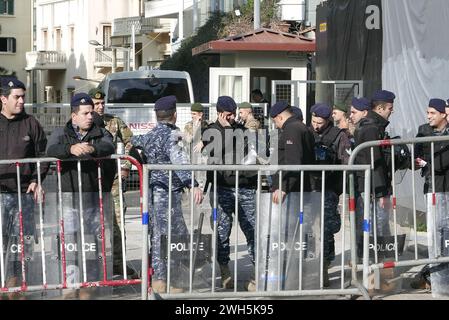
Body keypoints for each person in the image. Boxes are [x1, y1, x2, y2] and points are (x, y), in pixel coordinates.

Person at [131, 95, 203, 294]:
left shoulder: (149, 135)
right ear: (174, 114)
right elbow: (178, 161)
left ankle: (159, 280)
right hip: (169, 192)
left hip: (153, 192)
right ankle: (174, 280)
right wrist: (193, 183)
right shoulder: (173, 135)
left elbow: (133, 144)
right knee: (175, 236)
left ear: (156, 116)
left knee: (157, 235)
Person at [46, 93, 116, 299]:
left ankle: (90, 284)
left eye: (91, 112)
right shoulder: (62, 132)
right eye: (85, 113)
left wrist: (92, 148)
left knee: (92, 244)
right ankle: (70, 285)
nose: (90, 117)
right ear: (74, 115)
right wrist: (70, 149)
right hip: (69, 199)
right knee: (69, 243)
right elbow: (51, 149)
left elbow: (109, 146)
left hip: (93, 198)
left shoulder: (100, 131)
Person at [202, 96, 258, 291]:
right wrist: (226, 130)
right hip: (222, 187)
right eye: (228, 114)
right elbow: (214, 153)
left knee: (251, 230)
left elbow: (253, 152)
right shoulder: (210, 131)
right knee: (222, 232)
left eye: (234, 114)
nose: (232, 117)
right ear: (219, 113)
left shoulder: (242, 130)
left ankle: (256, 274)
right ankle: (224, 270)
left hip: (245, 187)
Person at [0, 78, 48, 299]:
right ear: (3, 99)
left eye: (23, 96)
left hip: (23, 195)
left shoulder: (31, 123)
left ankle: (15, 290)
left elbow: (43, 156)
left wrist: (37, 179)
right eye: (16, 97)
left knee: (21, 246)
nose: (21, 101)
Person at [88, 88, 137, 279]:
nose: (100, 107)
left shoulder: (114, 122)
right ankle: (96, 265)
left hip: (114, 182)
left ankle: (118, 264)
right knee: (92, 225)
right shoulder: (85, 123)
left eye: (102, 103)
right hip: (92, 182)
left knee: (117, 224)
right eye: (96, 104)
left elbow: (130, 143)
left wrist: (125, 166)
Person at [309, 103, 352, 287]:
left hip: (329, 189)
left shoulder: (339, 136)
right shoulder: (306, 132)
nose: (316, 126)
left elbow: (347, 162)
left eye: (320, 122)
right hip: (308, 187)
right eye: (313, 121)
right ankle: (307, 266)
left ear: (328, 120)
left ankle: (324, 266)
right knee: (308, 229)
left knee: (326, 229)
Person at [411, 98, 449, 293]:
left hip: (447, 188)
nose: (428, 116)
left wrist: (430, 164)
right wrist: (419, 162)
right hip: (432, 189)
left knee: (446, 235)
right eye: (428, 113)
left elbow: (443, 162)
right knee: (435, 234)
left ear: (444, 114)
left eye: (433, 113)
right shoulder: (423, 130)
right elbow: (415, 157)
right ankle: (435, 276)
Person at [350, 97, 391, 255]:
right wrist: (380, 192)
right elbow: (373, 162)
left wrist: (380, 192)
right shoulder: (368, 128)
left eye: (354, 112)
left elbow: (374, 162)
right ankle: (372, 263)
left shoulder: (367, 128)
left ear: (365, 112)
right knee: (374, 225)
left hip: (370, 187)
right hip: (369, 187)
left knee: (373, 225)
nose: (351, 115)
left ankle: (373, 263)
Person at [270, 101, 315, 204]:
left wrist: (283, 186)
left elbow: (293, 161)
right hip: (298, 187)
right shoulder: (300, 127)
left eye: (274, 121)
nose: (276, 126)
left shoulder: (292, 129)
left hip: (294, 189)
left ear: (279, 117)